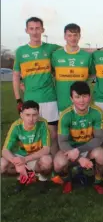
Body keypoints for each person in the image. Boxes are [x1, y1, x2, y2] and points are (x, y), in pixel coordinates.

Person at [13, 17, 61, 156]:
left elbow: (71, 49)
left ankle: (53, 168)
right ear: (27, 30)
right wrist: (18, 99)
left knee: (52, 134)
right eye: (31, 28)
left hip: (50, 98)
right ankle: (37, 167)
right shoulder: (21, 51)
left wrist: (100, 49)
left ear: (42, 30)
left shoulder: (51, 48)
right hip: (31, 99)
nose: (34, 32)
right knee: (34, 135)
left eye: (37, 28)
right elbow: (15, 76)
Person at [53, 81, 103, 194]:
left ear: (90, 97)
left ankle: (97, 182)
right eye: (77, 97)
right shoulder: (65, 115)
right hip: (70, 149)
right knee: (58, 164)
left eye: (84, 96)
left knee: (101, 155)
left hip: (88, 147)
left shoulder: (97, 112)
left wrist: (79, 151)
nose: (81, 100)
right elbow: (62, 142)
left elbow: (98, 139)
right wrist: (78, 158)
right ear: (71, 99)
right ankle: (68, 179)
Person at [1, 100, 53, 193]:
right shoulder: (16, 126)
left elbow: (46, 149)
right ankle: (22, 177)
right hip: (21, 156)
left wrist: (25, 160)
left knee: (47, 161)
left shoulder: (43, 123)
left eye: (34, 115)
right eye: (27, 115)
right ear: (21, 115)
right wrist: (16, 162)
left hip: (37, 157)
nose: (31, 118)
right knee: (2, 165)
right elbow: (5, 150)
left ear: (38, 114)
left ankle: (42, 181)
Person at [52, 23, 93, 113]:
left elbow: (92, 74)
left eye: (75, 35)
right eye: (69, 35)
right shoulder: (56, 55)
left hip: (82, 106)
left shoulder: (86, 56)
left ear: (79, 36)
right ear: (65, 37)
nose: (73, 38)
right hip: (61, 105)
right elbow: (51, 73)